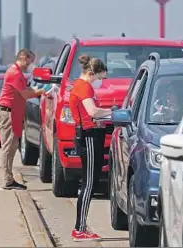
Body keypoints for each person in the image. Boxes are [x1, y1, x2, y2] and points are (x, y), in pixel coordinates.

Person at [69, 54, 112, 241]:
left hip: (87, 134)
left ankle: (81, 226)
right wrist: (114, 111)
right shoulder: (84, 87)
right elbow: (92, 111)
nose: (101, 82)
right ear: (92, 73)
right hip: (88, 136)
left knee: (89, 182)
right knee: (89, 183)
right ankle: (79, 227)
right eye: (101, 78)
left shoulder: (80, 86)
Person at [0, 49, 45, 190]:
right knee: (8, 147)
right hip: (6, 113)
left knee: (12, 146)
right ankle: (7, 180)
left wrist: (35, 89)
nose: (31, 64)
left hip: (12, 113)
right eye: (30, 60)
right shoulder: (15, 73)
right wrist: (43, 90)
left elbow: (25, 89)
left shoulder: (17, 73)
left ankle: (9, 178)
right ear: (23, 57)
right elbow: (25, 94)